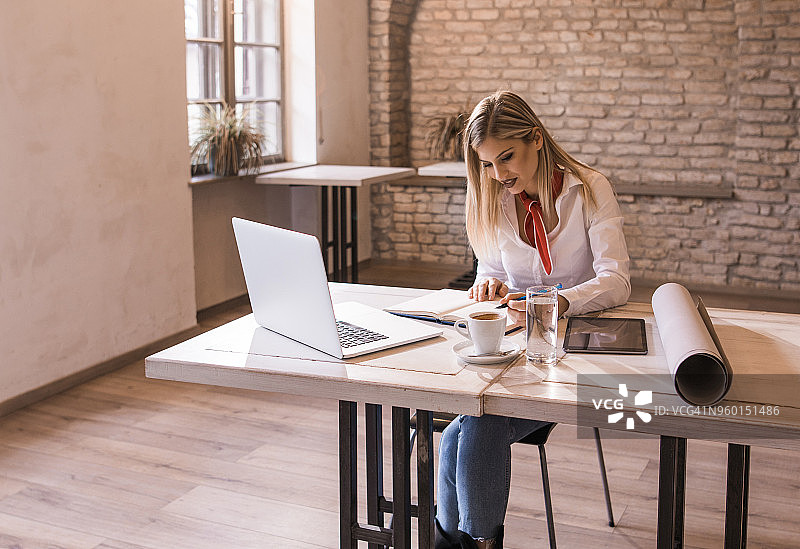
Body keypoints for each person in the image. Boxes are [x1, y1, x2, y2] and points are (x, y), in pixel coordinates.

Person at [434, 91, 631, 549]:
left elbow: (616, 281)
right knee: (467, 427)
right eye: (487, 164)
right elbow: (492, 270)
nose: (498, 174)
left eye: (506, 157)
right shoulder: (494, 197)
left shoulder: (590, 189)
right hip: (510, 353)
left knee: (470, 426)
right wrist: (489, 285)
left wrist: (556, 303)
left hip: (574, 357)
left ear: (536, 139)